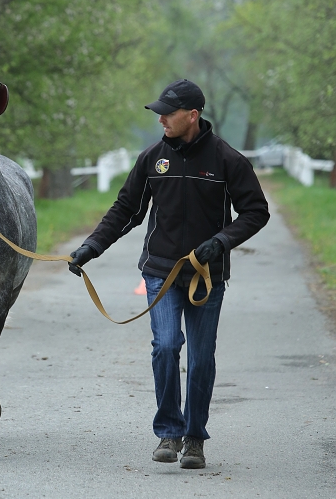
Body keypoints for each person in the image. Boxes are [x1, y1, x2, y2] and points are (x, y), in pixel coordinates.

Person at [68, 80, 269, 469]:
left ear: (192, 116)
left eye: (168, 112)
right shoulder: (152, 159)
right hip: (160, 272)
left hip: (205, 275)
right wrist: (91, 247)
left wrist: (223, 241)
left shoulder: (228, 160)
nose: (160, 118)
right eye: (159, 112)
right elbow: (126, 209)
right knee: (165, 346)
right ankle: (168, 431)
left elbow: (256, 211)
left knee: (201, 358)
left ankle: (194, 438)